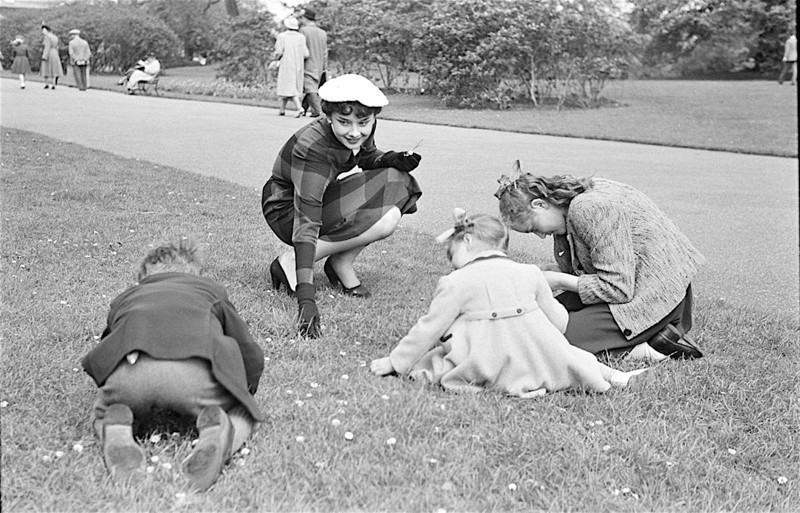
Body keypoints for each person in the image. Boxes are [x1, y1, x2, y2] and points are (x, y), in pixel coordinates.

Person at [370, 209, 649, 397]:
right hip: (538, 360)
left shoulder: (455, 282)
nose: (451, 262)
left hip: (487, 363)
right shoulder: (530, 273)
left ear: (466, 241)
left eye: (450, 253)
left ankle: (509, 382)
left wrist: (396, 361)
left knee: (435, 361)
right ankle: (616, 377)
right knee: (575, 356)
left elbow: (427, 330)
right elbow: (560, 321)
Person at [81, 239, 264, 490]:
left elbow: (109, 344)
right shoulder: (210, 291)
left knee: (104, 411)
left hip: (130, 374)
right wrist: (246, 390)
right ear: (197, 274)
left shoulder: (126, 298)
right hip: (194, 375)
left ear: (143, 279)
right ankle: (219, 437)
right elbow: (246, 348)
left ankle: (116, 425)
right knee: (242, 413)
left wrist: (111, 387)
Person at [262, 73, 423, 337]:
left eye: (364, 122)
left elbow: (366, 155)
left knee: (398, 180)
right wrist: (306, 298)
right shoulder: (311, 147)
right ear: (328, 117)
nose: (355, 131)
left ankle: (341, 263)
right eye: (344, 122)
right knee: (383, 219)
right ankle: (289, 262)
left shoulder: (359, 129)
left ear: (372, 117)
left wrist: (392, 158)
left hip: (321, 195)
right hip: (286, 210)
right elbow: (307, 221)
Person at [495, 164, 706, 363]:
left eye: (533, 228)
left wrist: (557, 280)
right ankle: (646, 339)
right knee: (535, 320)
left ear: (539, 204)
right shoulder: (568, 204)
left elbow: (618, 288)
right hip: (637, 287)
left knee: (549, 341)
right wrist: (547, 271)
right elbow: (599, 264)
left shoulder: (588, 208)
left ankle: (647, 346)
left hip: (655, 297)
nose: (541, 236)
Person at [274, 16, 308, 116]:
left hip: (286, 63)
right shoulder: (301, 37)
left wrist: (276, 59)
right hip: (298, 64)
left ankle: (299, 107)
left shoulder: (282, 36)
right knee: (291, 84)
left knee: (289, 85)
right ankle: (282, 108)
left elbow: (279, 52)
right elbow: (306, 54)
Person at [299, 7, 328, 117]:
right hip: (320, 64)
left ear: (305, 18)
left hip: (308, 63)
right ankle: (304, 108)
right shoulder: (322, 33)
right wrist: (325, 66)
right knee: (312, 87)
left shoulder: (303, 31)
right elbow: (325, 51)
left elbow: (301, 48)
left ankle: (317, 111)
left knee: (310, 88)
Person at [40, 25, 64, 89]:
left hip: (49, 52)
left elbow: (47, 46)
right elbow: (57, 46)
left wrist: (44, 55)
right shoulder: (55, 37)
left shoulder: (47, 37)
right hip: (55, 53)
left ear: (47, 30)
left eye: (43, 30)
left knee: (46, 68)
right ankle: (53, 83)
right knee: (54, 68)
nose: (43, 32)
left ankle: (46, 83)